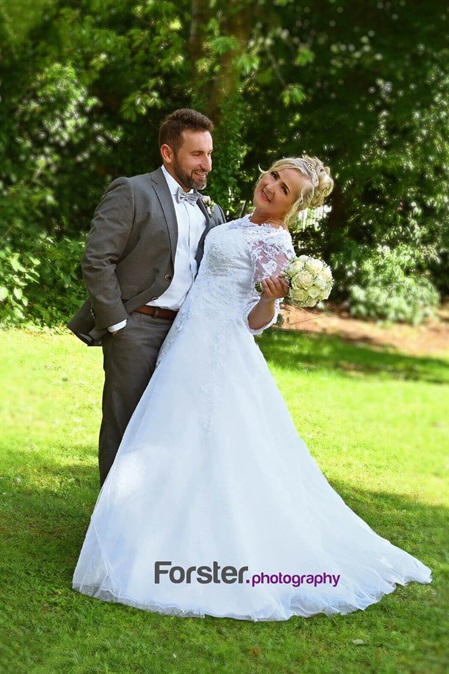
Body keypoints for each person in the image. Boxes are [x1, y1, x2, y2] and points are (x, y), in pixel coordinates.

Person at [73, 156, 431, 621]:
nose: (271, 186)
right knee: (166, 439)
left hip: (217, 348)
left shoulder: (274, 242)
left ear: (294, 206)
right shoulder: (236, 220)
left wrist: (270, 296)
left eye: (283, 189)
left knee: (206, 444)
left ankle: (193, 549)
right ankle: (145, 532)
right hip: (185, 339)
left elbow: (257, 321)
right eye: (273, 176)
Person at [68, 109, 226, 485]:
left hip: (185, 335)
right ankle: (111, 528)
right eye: (197, 155)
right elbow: (97, 258)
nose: (207, 164)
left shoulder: (211, 209)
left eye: (209, 154)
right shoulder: (133, 191)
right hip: (135, 328)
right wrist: (118, 323)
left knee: (170, 429)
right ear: (168, 153)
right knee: (124, 429)